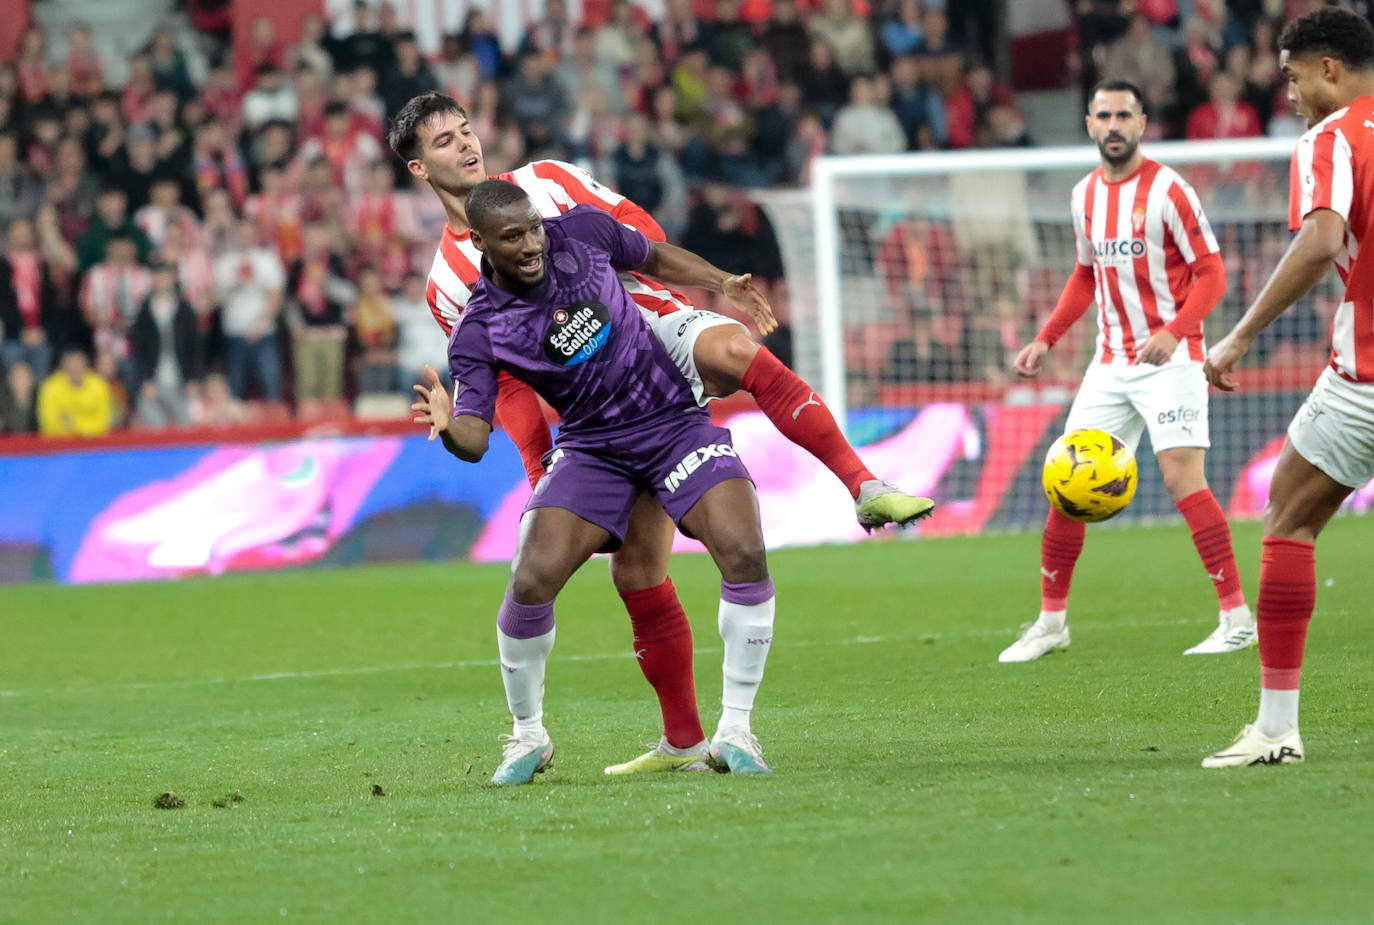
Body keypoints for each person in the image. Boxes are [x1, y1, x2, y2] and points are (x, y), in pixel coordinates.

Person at [389, 91, 932, 775]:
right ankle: (683, 738)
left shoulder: (549, 184)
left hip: (655, 327)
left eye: (467, 131)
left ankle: (864, 482)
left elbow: (634, 231)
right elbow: (508, 389)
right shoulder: (449, 287)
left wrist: (695, 282)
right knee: (638, 567)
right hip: (597, 409)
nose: (465, 145)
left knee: (737, 353)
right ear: (419, 169)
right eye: (444, 141)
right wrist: (539, 469)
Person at [413, 181, 778, 785]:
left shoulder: (577, 232)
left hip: (672, 421)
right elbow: (476, 437)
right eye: (513, 237)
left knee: (744, 550)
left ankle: (736, 730)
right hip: (592, 449)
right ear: (479, 243)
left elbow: (653, 256)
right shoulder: (479, 328)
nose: (532, 243)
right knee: (530, 578)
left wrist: (719, 282)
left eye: (532, 227)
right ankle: (528, 737)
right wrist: (450, 426)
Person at [999, 79, 1250, 663]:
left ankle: (1237, 617)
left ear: (1143, 123)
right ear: (1088, 123)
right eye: (1103, 115)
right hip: (1110, 362)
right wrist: (1045, 338)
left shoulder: (1170, 190)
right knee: (1067, 483)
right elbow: (1086, 275)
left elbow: (1212, 274)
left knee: (1182, 478)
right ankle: (1051, 622)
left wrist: (1173, 331)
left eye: (1125, 116)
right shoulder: (1084, 194)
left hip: (1173, 359)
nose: (1114, 125)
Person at [1201, 8, 1374, 768]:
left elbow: (1322, 239)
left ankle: (1276, 728)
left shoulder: (1332, 139)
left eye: (1297, 76)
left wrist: (1241, 333)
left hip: (1366, 374)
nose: (1294, 93)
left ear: (1330, 69)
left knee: (1288, 515)